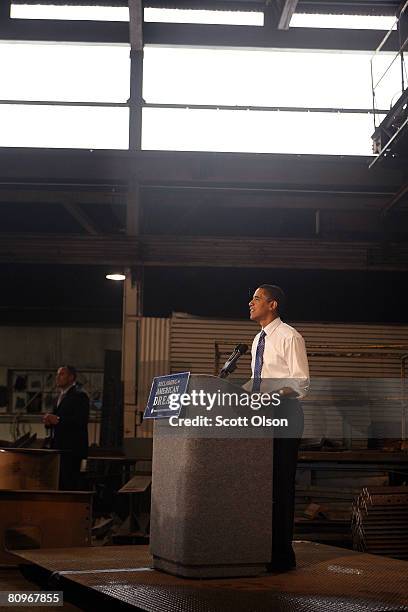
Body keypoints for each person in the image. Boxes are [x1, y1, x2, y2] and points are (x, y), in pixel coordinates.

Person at [249, 284, 309, 572]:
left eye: (257, 298)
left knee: (281, 485)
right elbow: (258, 380)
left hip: (284, 413)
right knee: (262, 484)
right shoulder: (256, 340)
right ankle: (261, 549)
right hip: (262, 416)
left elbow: (300, 383)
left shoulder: (289, 336)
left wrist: (268, 396)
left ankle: (283, 557)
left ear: (272, 305)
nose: (251, 302)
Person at [42, 365, 89, 490]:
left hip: (72, 449)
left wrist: (58, 420)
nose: (57, 377)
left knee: (70, 482)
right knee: (59, 482)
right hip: (59, 446)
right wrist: (49, 422)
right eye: (57, 374)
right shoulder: (59, 397)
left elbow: (81, 420)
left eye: (61, 374)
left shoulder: (80, 396)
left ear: (71, 377)